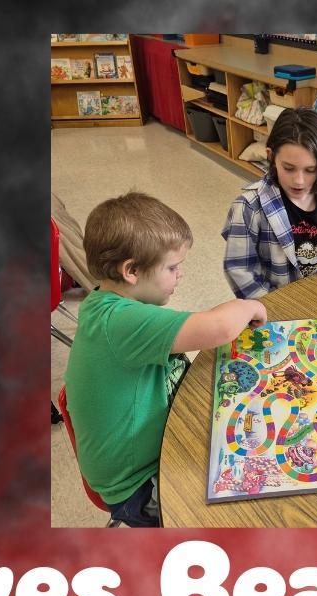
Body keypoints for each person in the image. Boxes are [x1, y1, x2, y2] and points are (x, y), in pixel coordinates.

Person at [67, 193, 267, 526]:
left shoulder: (105, 302)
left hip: (145, 446)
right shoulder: (120, 322)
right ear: (131, 271)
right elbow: (218, 327)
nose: (180, 275)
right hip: (137, 485)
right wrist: (251, 306)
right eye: (172, 267)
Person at [222, 108, 317, 298]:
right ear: (271, 157)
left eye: (311, 170)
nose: (299, 181)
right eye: (288, 168)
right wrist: (280, 309)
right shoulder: (249, 207)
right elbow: (238, 269)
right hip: (275, 310)